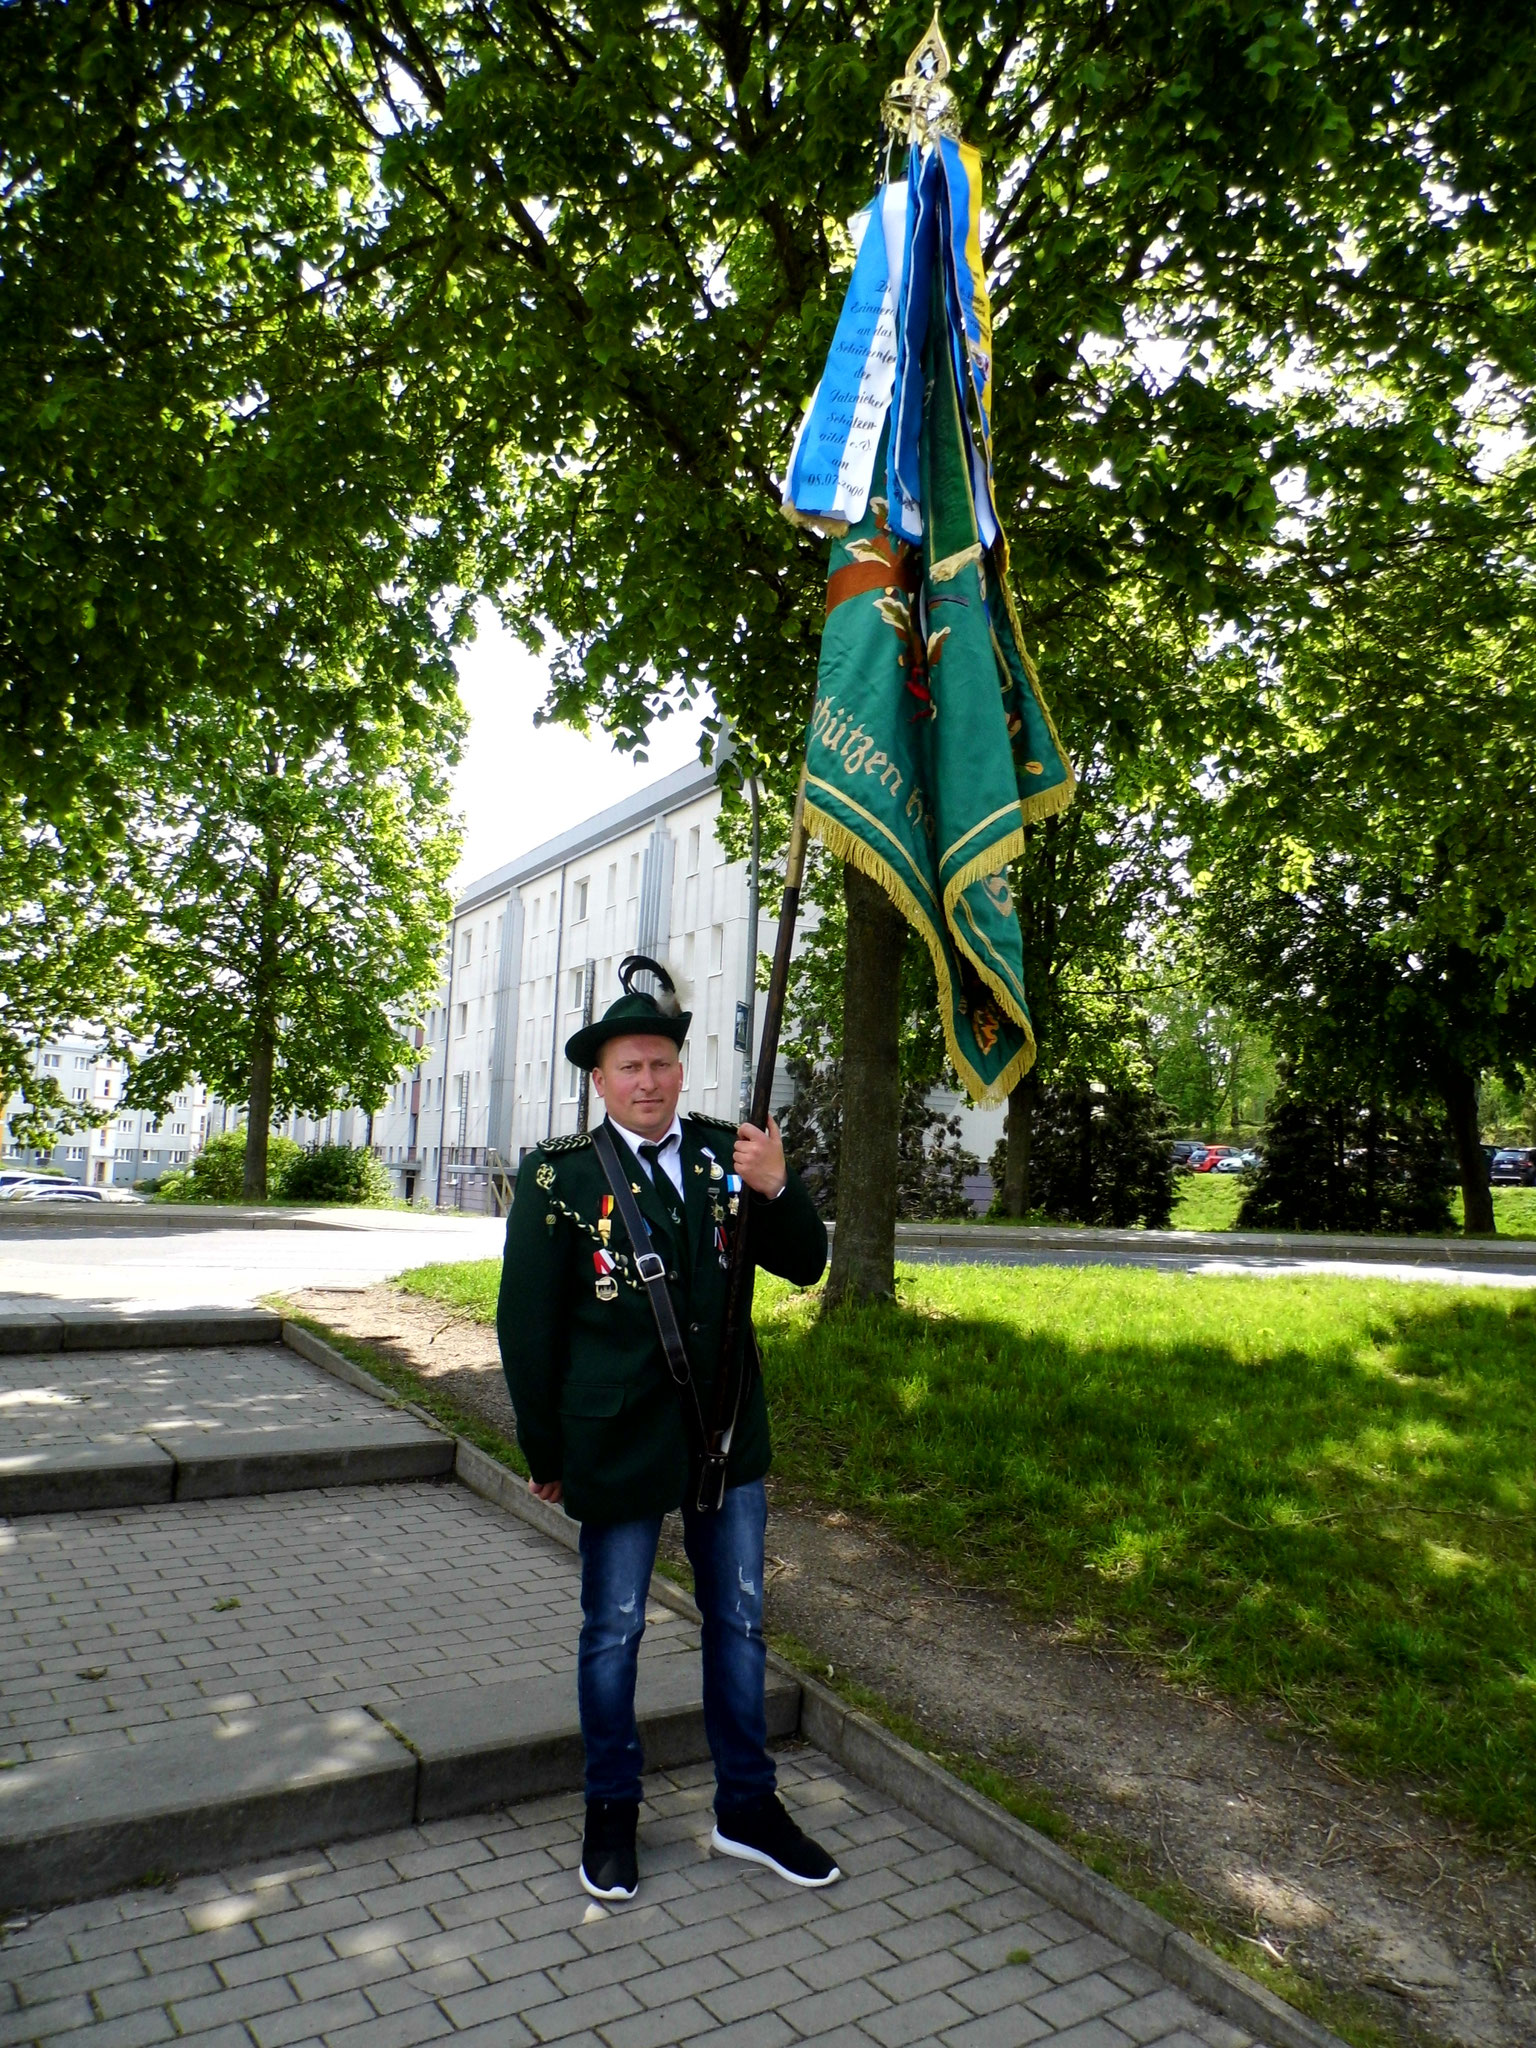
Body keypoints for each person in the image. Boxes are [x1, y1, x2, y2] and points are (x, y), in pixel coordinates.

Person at [497, 974, 839, 1903]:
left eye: (661, 1063)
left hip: (726, 1435)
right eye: (628, 1067)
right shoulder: (558, 1174)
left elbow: (805, 1264)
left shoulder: (735, 1155)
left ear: (681, 1073)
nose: (647, 1080)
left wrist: (780, 1187)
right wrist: (545, 1453)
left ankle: (748, 1809)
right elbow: (527, 1328)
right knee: (612, 1630)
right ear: (600, 1082)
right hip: (614, 1442)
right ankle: (611, 1810)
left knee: (740, 1621)